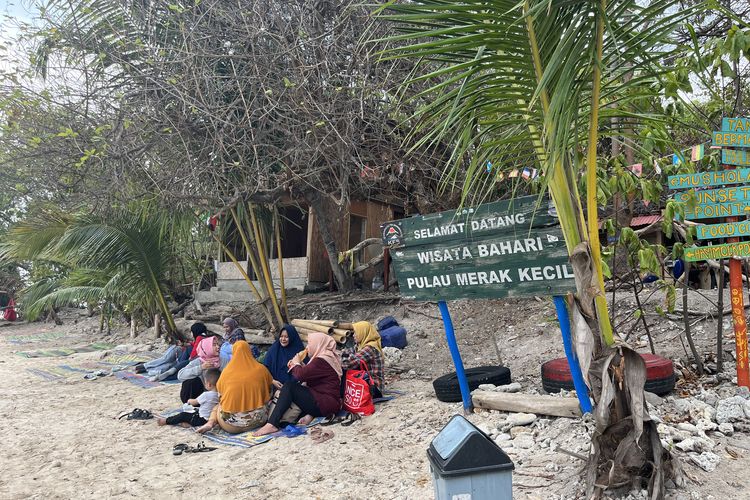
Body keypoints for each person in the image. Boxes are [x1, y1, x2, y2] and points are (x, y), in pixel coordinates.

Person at [253, 332, 342, 437]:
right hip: (327, 401)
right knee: (295, 388)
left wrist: (296, 362)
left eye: (310, 344)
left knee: (289, 386)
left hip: (326, 403)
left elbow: (300, 375)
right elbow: (311, 374)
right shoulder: (325, 357)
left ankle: (272, 424)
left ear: (318, 344)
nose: (307, 347)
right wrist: (299, 365)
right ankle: (309, 414)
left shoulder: (321, 360)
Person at [196, 340, 274, 434]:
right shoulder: (261, 369)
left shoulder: (226, 372)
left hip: (231, 426)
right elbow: (269, 391)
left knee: (218, 406)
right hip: (259, 421)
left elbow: (221, 396)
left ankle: (210, 422)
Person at [340, 321, 385, 398]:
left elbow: (347, 364)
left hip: (374, 389)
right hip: (367, 383)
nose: (353, 336)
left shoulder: (370, 348)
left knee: (344, 370)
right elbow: (348, 352)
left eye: (355, 333)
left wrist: (341, 356)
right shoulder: (360, 345)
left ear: (363, 332)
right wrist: (343, 354)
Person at [177, 336, 225, 401]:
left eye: (218, 344)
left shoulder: (223, 361)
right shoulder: (199, 361)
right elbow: (180, 375)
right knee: (190, 381)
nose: (218, 347)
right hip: (201, 395)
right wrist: (201, 367)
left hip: (219, 394)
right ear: (207, 348)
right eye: (214, 345)